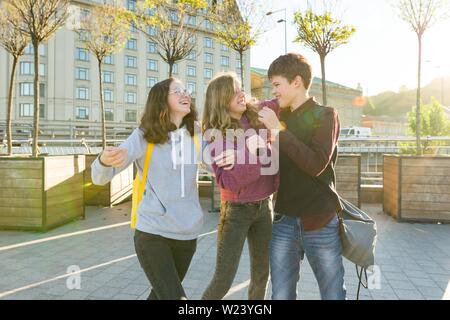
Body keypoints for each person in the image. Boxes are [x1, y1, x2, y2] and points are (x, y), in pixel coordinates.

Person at [91, 78, 203, 300]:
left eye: (186, 90)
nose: (185, 94)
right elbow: (99, 178)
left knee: (159, 296)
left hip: (187, 234)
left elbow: (218, 162)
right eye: (177, 91)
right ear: (161, 99)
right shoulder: (144, 135)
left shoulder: (196, 132)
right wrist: (104, 161)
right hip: (153, 233)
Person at [258, 53, 347, 300]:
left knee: (333, 294)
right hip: (284, 219)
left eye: (277, 84)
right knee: (281, 295)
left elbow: (316, 163)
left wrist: (277, 130)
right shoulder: (280, 116)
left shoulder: (326, 115)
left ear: (296, 82)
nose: (273, 91)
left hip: (319, 219)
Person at [201, 72, 279, 300]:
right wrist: (255, 150)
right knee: (223, 279)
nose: (241, 93)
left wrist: (242, 155)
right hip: (236, 210)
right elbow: (230, 180)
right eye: (234, 90)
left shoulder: (257, 113)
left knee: (262, 273)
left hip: (265, 206)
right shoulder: (215, 133)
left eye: (241, 88)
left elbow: (285, 98)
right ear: (220, 98)